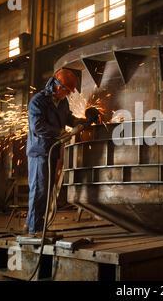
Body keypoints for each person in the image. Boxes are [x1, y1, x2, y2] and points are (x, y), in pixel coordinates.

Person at [26, 68, 100, 235]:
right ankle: (34, 229)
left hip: (52, 152)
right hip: (39, 152)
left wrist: (84, 122)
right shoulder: (38, 101)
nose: (67, 94)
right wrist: (59, 133)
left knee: (46, 190)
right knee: (39, 190)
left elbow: (68, 119)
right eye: (66, 90)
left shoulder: (63, 102)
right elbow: (37, 126)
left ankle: (37, 224)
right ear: (57, 86)